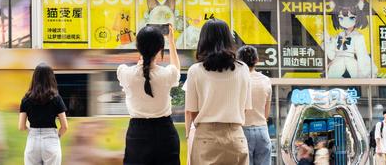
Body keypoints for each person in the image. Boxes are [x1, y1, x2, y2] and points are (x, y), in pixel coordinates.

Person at [185, 19, 252, 164]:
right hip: (236, 136)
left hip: (206, 138)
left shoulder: (195, 71)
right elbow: (245, 108)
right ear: (228, 39)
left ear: (203, 41)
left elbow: (192, 110)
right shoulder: (243, 69)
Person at [117, 24, 180, 165]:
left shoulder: (124, 73)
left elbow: (141, 71)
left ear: (138, 47)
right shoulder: (167, 74)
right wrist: (171, 42)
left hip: (137, 134)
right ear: (159, 49)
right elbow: (176, 69)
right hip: (165, 132)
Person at [18, 63, 68, 165]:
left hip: (33, 142)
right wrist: (56, 136)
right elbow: (65, 127)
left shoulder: (26, 99)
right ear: (51, 78)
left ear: (34, 78)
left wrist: (33, 133)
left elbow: (21, 127)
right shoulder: (56, 98)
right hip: (51, 141)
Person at [237, 46, 272, 165]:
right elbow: (266, 112)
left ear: (239, 60)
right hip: (262, 130)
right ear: (256, 60)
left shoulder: (238, 80)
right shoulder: (266, 80)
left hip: (243, 129)